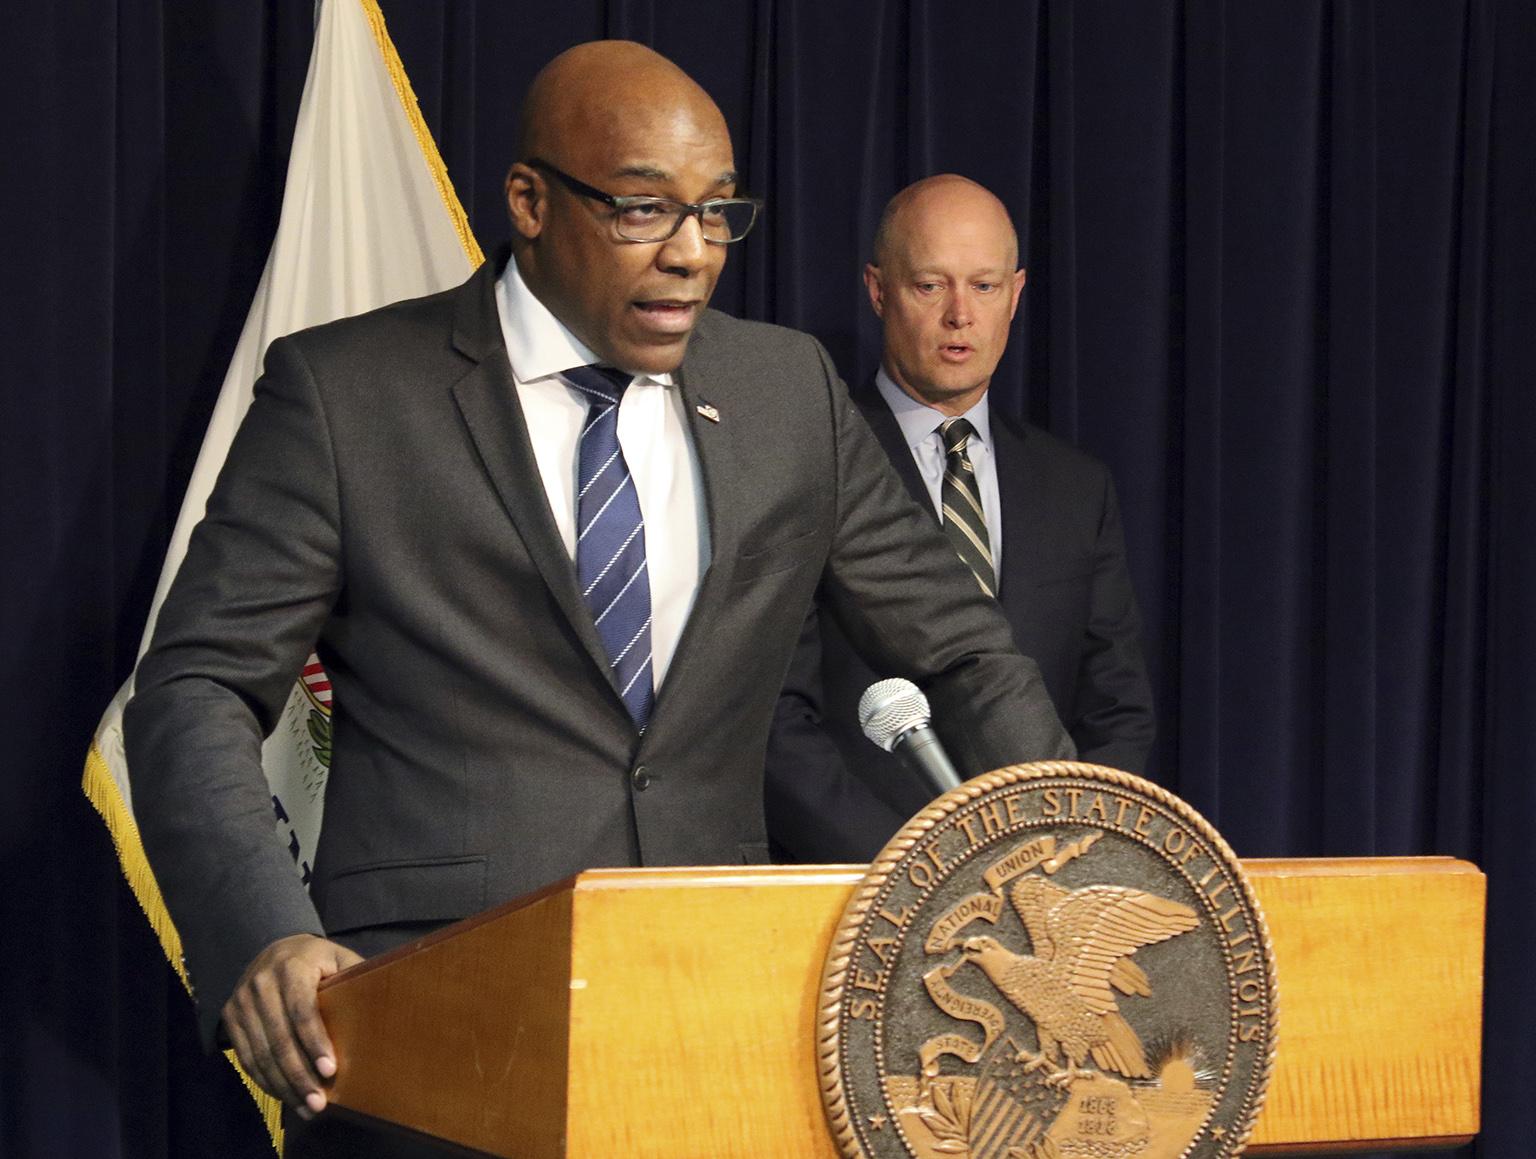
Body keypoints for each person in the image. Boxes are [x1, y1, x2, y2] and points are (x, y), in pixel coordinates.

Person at [123, 44, 1072, 1143]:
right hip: (432, 1029)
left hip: (724, 1027)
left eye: (719, 214)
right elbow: (194, 687)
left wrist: (1073, 869)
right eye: (642, 210)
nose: (692, 256)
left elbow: (967, 652)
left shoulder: (787, 392)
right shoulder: (346, 394)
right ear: (528, 201)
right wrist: (263, 937)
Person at [765, 174, 1155, 864]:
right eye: (929, 285)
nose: (959, 315)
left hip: (1045, 879)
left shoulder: (1075, 486)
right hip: (855, 879)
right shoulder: (810, 457)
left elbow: (1116, 710)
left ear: (1016, 295)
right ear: (879, 289)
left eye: (983, 286)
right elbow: (777, 717)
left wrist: (1077, 852)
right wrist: (914, 871)